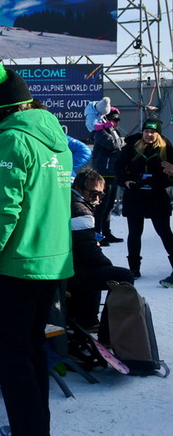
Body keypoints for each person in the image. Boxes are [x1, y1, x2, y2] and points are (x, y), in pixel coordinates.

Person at [0, 63, 72, 436]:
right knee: (31, 352)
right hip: (51, 261)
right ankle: (29, 429)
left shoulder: (12, 140)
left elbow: (3, 210)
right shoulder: (57, 139)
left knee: (13, 358)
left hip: (17, 264)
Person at [67, 169, 136, 331]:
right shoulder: (80, 210)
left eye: (100, 195)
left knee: (97, 270)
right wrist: (107, 265)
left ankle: (88, 320)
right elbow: (89, 252)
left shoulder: (69, 202)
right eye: (93, 194)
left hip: (67, 267)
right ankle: (108, 332)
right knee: (122, 276)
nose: (97, 199)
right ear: (78, 189)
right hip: (69, 272)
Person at [114, 118, 173, 286]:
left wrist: (159, 182)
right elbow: (118, 167)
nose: (149, 135)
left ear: (158, 134)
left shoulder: (166, 148)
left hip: (157, 196)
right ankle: (134, 269)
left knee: (164, 232)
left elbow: (171, 174)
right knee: (134, 233)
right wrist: (126, 181)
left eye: (153, 132)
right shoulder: (132, 146)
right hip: (135, 195)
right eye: (146, 131)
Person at [91, 109, 125, 246]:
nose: (116, 123)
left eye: (117, 120)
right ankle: (97, 234)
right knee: (101, 206)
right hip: (102, 174)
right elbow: (113, 145)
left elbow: (119, 146)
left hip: (113, 173)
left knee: (109, 206)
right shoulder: (100, 132)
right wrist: (124, 141)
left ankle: (106, 232)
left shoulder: (115, 133)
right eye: (113, 120)